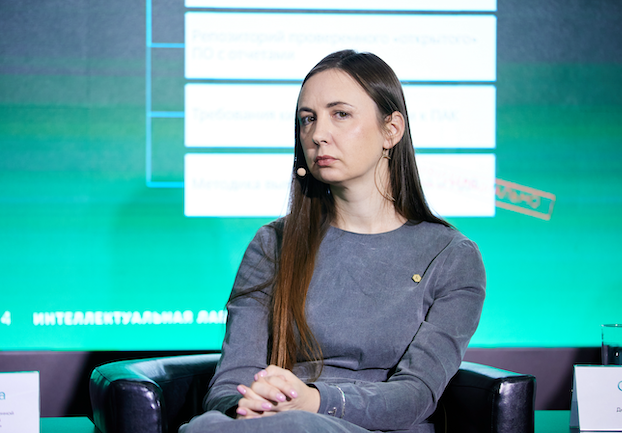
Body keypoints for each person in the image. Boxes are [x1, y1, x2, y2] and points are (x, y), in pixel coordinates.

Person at [180, 50, 486, 433]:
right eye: (307, 119)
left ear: (391, 130)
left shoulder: (451, 257)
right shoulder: (272, 244)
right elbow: (230, 383)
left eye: (340, 114)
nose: (317, 134)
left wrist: (313, 402)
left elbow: (415, 395)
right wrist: (248, 402)